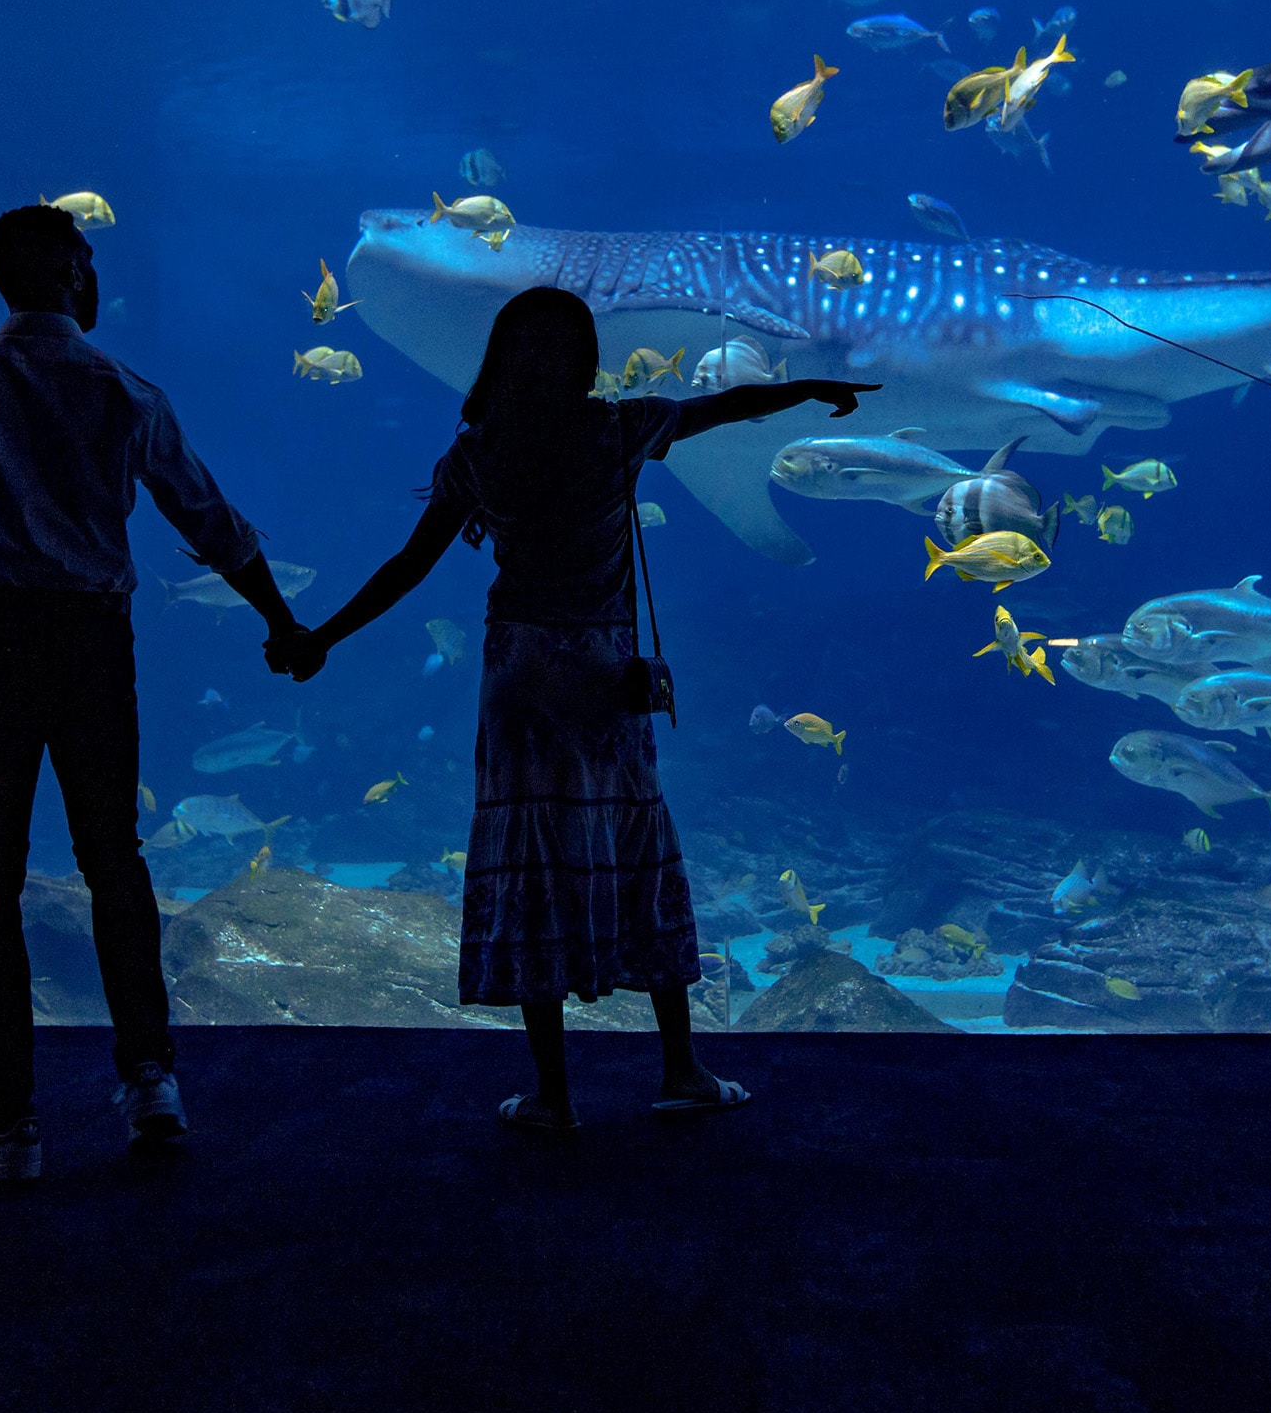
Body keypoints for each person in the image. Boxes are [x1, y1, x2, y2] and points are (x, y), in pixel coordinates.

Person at [271, 287, 873, 1131]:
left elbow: (409, 565)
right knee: (637, 847)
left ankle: (554, 1095)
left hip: (519, 673)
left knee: (532, 862)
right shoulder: (618, 428)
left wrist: (323, 636)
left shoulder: (479, 450)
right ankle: (681, 1069)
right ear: (586, 357)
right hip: (600, 673)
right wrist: (806, 388)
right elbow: (720, 409)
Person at [0, 204, 309, 1181]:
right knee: (116, 859)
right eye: (90, 259)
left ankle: (7, 1126)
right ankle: (151, 1078)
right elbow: (209, 519)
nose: (98, 275)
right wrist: (281, 620)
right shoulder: (122, 388)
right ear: (68, 271)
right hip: (93, 645)